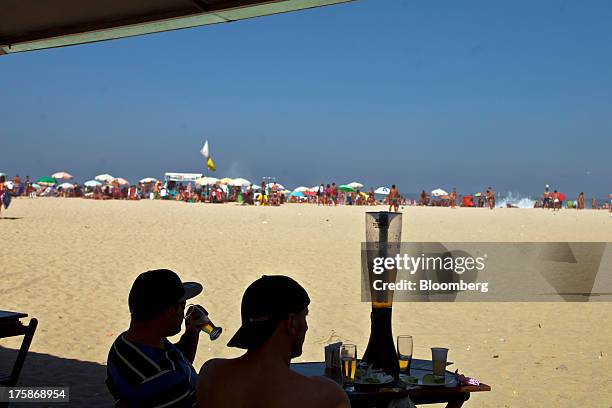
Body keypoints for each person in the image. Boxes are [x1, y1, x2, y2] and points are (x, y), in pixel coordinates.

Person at [196, 276, 349, 408]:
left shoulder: (211, 375)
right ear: (292, 323)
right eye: (305, 317)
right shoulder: (328, 397)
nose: (307, 326)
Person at [107, 269, 208, 408]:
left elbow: (177, 361)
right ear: (168, 311)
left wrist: (192, 332)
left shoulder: (122, 346)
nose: (184, 313)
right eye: (182, 306)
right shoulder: (165, 380)